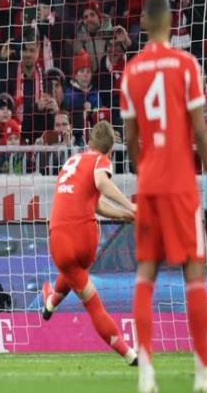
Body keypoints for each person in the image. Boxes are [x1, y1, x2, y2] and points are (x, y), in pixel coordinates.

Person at [120, 0, 207, 393]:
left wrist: (143, 169)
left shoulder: (132, 71)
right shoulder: (186, 65)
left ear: (144, 22)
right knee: (194, 271)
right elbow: (200, 132)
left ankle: (146, 372)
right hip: (180, 184)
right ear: (171, 22)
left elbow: (129, 138)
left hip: (150, 184)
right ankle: (203, 371)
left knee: (146, 273)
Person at [42, 121, 138, 367]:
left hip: (59, 239)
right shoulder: (100, 160)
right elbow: (102, 184)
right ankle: (51, 301)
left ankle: (128, 354)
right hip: (85, 240)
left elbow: (95, 202)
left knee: (88, 297)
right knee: (76, 272)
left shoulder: (72, 162)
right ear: (111, 151)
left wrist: (125, 214)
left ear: (89, 143)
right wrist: (130, 205)